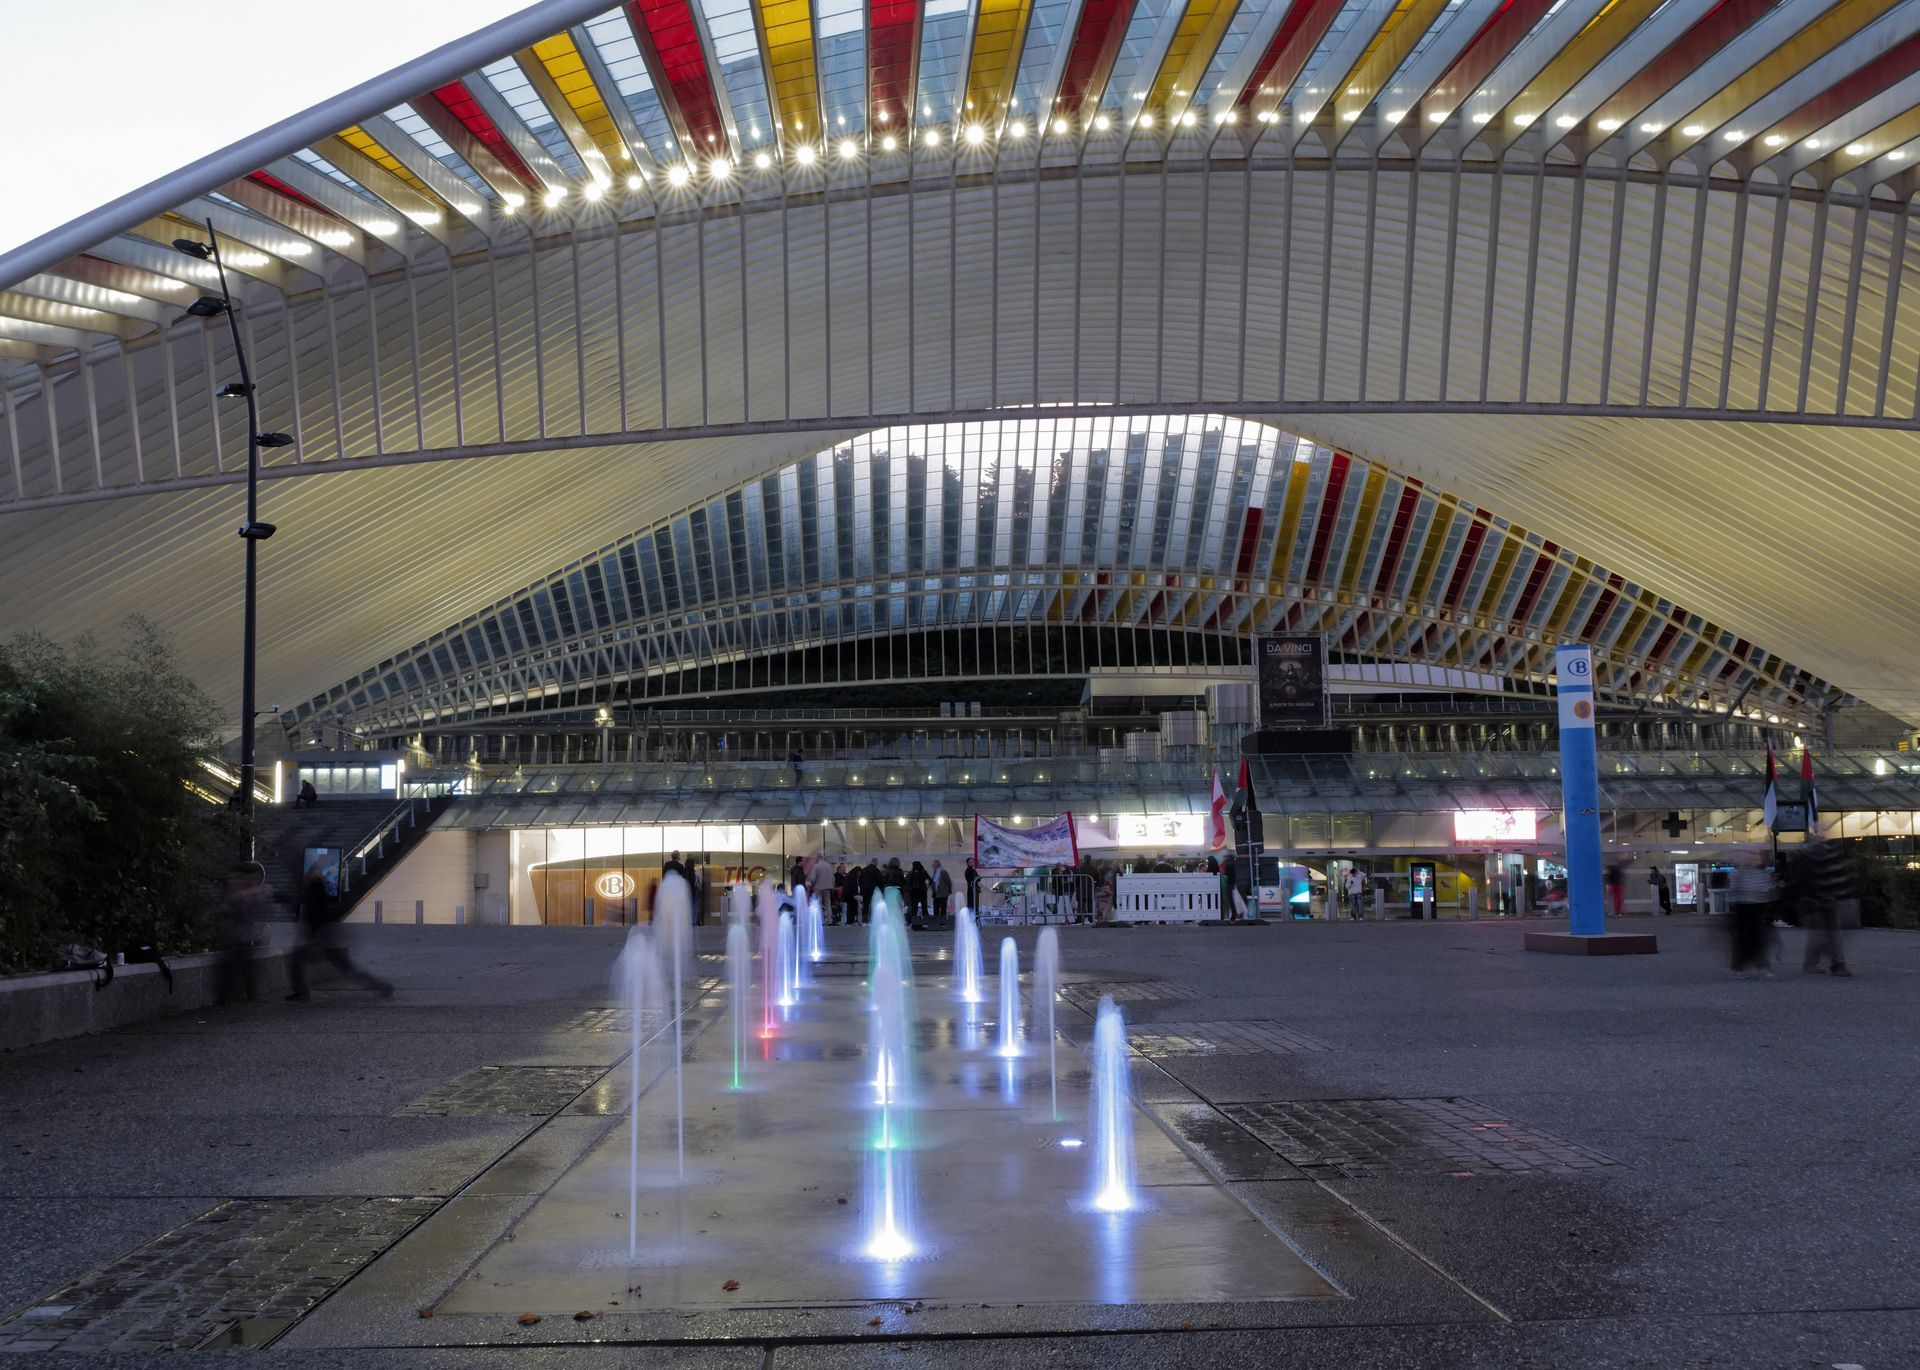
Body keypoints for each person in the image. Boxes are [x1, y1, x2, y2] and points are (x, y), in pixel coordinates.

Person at [288, 868, 393, 1001]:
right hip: (328, 942)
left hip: (323, 941)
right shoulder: (319, 896)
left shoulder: (313, 899)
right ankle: (381, 986)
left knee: (297, 960)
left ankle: (301, 991)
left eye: (307, 878)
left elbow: (316, 921)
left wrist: (313, 941)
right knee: (349, 970)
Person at [1797, 833, 1854, 976]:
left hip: (1822, 897)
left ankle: (1831, 964)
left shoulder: (1809, 857)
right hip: (1819, 898)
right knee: (1824, 933)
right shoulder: (1815, 857)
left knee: (1824, 933)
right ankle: (1835, 964)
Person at [215, 863, 270, 1005]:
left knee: (241, 970)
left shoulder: (246, 894)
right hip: (237, 938)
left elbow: (237, 903)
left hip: (241, 938)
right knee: (241, 970)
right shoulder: (244, 893)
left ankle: (231, 997)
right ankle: (240, 996)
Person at [1728, 855, 1779, 979]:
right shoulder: (1739, 874)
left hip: (1752, 907)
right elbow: (1766, 890)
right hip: (1746, 907)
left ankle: (1751, 966)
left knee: (1755, 938)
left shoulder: (1754, 874)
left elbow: (1766, 890)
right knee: (1748, 939)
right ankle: (1747, 967)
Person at [859, 858, 883, 924]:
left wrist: (862, 888)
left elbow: (860, 880)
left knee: (865, 904)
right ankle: (872, 918)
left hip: (864, 889)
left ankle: (865, 918)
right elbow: (880, 881)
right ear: (876, 863)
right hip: (873, 889)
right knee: (873, 904)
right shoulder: (876, 870)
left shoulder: (864, 869)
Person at [907, 860, 930, 924]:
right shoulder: (924, 872)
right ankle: (926, 921)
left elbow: (909, 883)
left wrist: (910, 889)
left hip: (915, 892)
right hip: (923, 892)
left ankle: (913, 922)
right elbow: (930, 880)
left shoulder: (913, 873)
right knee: (924, 907)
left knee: (914, 908)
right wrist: (926, 888)